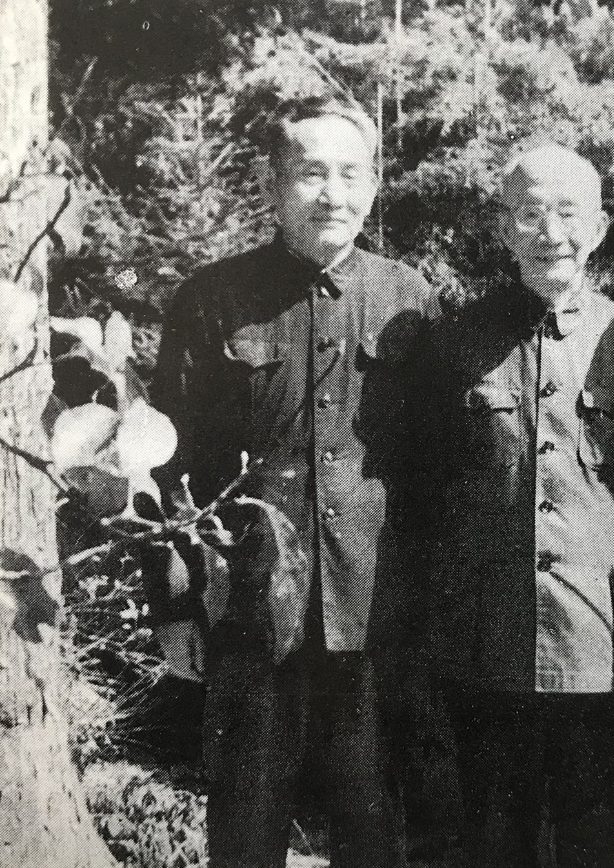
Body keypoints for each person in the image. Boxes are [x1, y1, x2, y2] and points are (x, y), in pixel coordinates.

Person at [144, 95, 438, 868]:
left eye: (350, 174)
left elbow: (441, 468)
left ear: (373, 185)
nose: (333, 194)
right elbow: (164, 461)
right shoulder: (212, 300)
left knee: (375, 828)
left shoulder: (410, 300)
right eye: (311, 173)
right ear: (271, 184)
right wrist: (173, 605)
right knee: (245, 826)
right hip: (247, 614)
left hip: (376, 617)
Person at [410, 141, 614, 868]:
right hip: (484, 641)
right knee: (494, 841)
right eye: (530, 214)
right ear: (504, 228)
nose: (551, 232)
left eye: (569, 213)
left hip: (597, 639)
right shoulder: (457, 341)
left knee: (596, 841)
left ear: (601, 226)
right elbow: (424, 485)